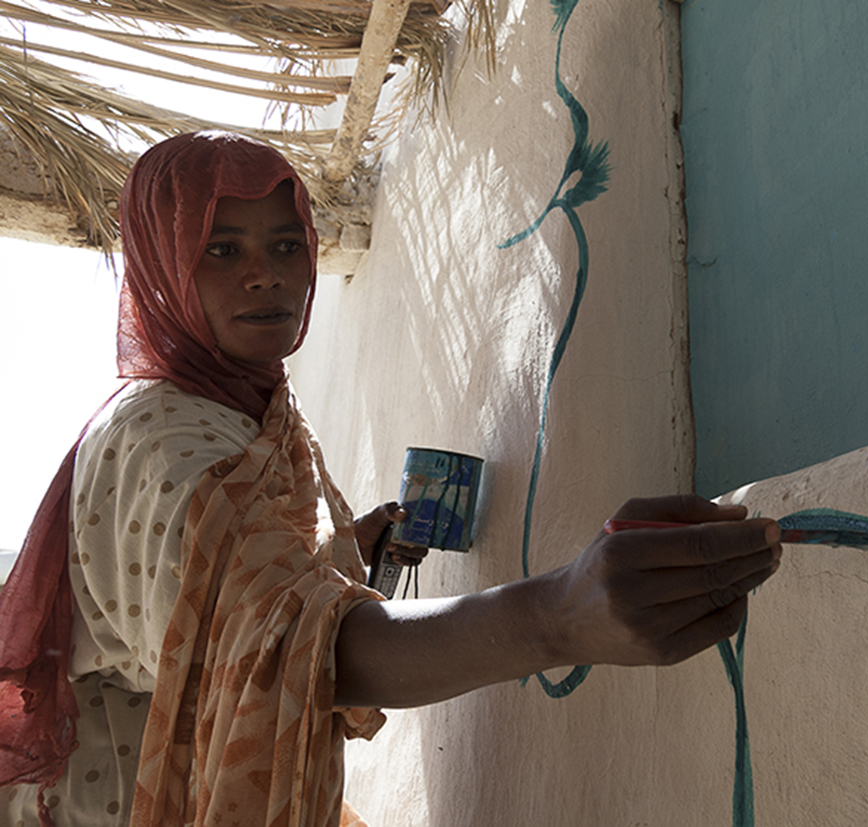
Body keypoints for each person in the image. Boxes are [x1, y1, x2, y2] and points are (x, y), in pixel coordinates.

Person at [0, 131, 782, 826]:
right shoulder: (164, 439)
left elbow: (255, 589)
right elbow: (282, 652)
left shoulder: (250, 406)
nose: (267, 276)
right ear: (161, 267)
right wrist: (559, 614)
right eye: (221, 249)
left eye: (285, 245)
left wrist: (349, 544)